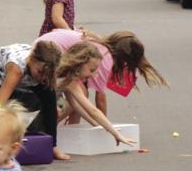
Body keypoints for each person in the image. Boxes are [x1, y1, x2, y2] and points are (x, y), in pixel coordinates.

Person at [37, 28, 168, 118]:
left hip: (47, 45)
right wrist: (103, 128)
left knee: (81, 94)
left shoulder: (102, 46)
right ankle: (51, 129)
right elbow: (100, 99)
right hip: (49, 53)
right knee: (78, 96)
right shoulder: (105, 59)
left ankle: (71, 128)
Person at [0, 41, 68, 160]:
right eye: (40, 72)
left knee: (49, 97)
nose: (42, 78)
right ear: (31, 59)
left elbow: (51, 94)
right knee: (11, 106)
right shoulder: (17, 69)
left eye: (47, 74)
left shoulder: (47, 68)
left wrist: (55, 107)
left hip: (25, 75)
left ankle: (52, 146)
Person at [56, 43, 136, 146]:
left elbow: (76, 106)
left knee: (60, 106)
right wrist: (116, 134)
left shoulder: (69, 79)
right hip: (35, 108)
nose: (93, 75)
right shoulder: (67, 79)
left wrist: (98, 125)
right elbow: (93, 111)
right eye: (91, 70)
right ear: (79, 63)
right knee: (57, 108)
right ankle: (48, 139)